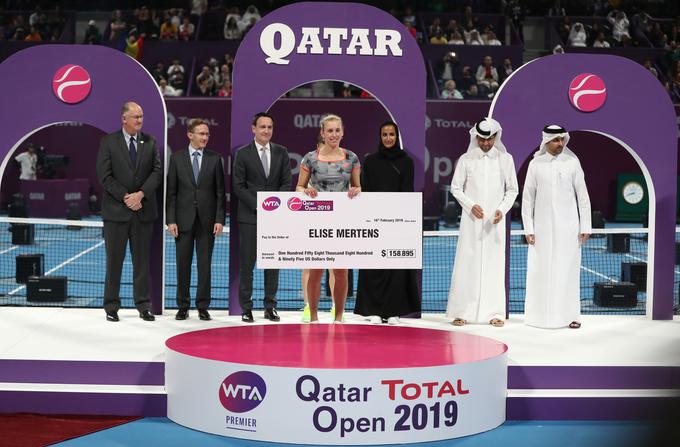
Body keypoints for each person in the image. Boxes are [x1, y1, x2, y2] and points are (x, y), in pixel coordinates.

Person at [446, 118, 518, 327]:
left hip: (495, 222)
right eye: (482, 139)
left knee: (494, 266)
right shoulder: (466, 159)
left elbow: (512, 189)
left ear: (496, 137)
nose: (485, 143)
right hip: (471, 222)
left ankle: (494, 313)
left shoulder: (506, 159)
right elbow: (456, 188)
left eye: (489, 139)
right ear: (475, 137)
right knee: (466, 263)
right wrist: (470, 205)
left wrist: (501, 210)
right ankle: (461, 312)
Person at [96, 102, 162, 322]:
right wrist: (126, 196)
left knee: (141, 262)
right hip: (116, 212)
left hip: (142, 212)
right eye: (135, 117)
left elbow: (157, 172)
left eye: (141, 117)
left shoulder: (150, 142)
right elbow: (105, 176)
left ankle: (143, 305)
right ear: (124, 119)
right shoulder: (108, 142)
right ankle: (111, 306)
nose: (139, 121)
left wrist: (140, 194)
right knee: (114, 260)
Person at [521, 125, 591, 329]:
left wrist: (585, 224)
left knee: (568, 270)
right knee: (540, 270)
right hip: (541, 228)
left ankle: (570, 316)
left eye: (562, 140)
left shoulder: (572, 162)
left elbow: (583, 196)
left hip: (569, 227)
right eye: (556, 140)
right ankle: (538, 317)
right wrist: (529, 229)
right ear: (546, 141)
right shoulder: (536, 164)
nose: (560, 143)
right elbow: (527, 199)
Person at [296, 114, 361, 323]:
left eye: (337, 130)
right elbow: (299, 186)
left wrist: (356, 190)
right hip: (316, 221)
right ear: (322, 133)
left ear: (342, 132)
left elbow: (357, 186)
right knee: (315, 271)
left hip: (342, 223)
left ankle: (339, 317)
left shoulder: (352, 158)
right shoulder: (309, 158)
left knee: (341, 272)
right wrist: (306, 191)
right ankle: (313, 317)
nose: (333, 134)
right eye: (329, 131)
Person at [355, 121, 420, 324]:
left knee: (395, 267)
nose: (388, 138)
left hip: (398, 223)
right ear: (380, 137)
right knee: (374, 266)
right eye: (385, 134)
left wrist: (398, 219)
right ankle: (373, 310)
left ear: (396, 136)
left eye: (391, 134)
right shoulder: (370, 161)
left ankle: (393, 311)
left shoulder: (407, 162)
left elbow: (407, 192)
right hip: (374, 221)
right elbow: (366, 190)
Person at [233, 112, 292, 323]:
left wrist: (274, 208)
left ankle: (270, 306)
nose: (266, 131)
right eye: (262, 127)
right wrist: (260, 206)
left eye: (269, 127)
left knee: (272, 264)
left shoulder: (282, 152)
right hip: (250, 217)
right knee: (247, 265)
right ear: (253, 129)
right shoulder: (242, 154)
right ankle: (246, 308)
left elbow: (286, 183)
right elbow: (238, 186)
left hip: (274, 219)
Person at [166, 119, 225, 321]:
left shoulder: (215, 159)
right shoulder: (176, 159)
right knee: (183, 265)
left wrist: (220, 219)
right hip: (182, 222)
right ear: (190, 135)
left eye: (207, 134)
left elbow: (220, 193)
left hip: (207, 222)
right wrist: (171, 220)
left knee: (204, 265)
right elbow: (171, 193)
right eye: (201, 134)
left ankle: (202, 306)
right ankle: (183, 306)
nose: (205, 138)